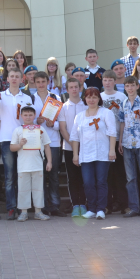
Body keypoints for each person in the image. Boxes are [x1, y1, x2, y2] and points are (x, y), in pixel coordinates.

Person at [0, 67, 33, 220]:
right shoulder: (0, 95)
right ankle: (11, 208)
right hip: (6, 139)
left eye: (17, 76)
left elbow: (29, 118)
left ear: (22, 79)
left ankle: (23, 207)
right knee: (9, 176)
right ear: (7, 79)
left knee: (22, 175)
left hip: (23, 139)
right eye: (11, 76)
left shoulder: (26, 97)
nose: (14, 79)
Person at [70, 87, 117, 220]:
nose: (91, 100)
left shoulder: (106, 113)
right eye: (89, 97)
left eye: (94, 97)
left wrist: (112, 150)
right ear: (85, 98)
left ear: (99, 99)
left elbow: (112, 132)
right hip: (86, 154)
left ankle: (101, 209)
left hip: (102, 153)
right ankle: (91, 209)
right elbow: (75, 137)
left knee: (101, 181)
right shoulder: (79, 116)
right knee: (88, 182)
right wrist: (75, 154)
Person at [116, 76, 140, 218]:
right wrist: (119, 142)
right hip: (127, 144)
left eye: (132, 85)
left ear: (137, 86)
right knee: (130, 178)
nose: (130, 88)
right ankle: (134, 207)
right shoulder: (122, 104)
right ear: (124, 88)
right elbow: (122, 124)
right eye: (127, 86)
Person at [30, 71, 64, 216]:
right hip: (36, 142)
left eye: (43, 81)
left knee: (54, 175)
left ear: (47, 82)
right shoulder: (30, 99)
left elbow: (61, 123)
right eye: (38, 82)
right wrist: (35, 121)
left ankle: (55, 206)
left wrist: (52, 124)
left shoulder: (55, 98)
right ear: (34, 83)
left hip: (53, 141)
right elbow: (25, 120)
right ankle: (41, 206)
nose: (41, 84)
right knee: (40, 175)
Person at [10, 106, 52, 221]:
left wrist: (49, 161)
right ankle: (23, 212)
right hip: (23, 165)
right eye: (25, 115)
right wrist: (20, 144)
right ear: (21, 116)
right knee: (23, 189)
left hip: (37, 164)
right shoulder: (18, 130)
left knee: (38, 189)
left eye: (30, 115)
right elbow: (12, 147)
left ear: (34, 116)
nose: (28, 117)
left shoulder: (41, 129)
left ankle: (38, 211)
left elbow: (47, 145)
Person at [100, 69, 128, 214]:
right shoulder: (99, 97)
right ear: (102, 81)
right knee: (107, 175)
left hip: (119, 139)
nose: (108, 82)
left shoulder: (121, 96)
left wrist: (121, 140)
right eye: (105, 80)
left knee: (121, 174)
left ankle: (123, 204)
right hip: (104, 142)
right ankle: (108, 205)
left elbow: (124, 120)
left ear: (115, 81)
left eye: (111, 80)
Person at [59, 78, 87, 217]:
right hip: (69, 148)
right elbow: (63, 129)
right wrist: (73, 144)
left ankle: (85, 204)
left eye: (76, 87)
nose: (74, 89)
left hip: (86, 148)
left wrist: (82, 145)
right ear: (67, 89)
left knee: (85, 177)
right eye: (71, 87)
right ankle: (76, 205)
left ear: (80, 88)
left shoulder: (86, 105)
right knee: (73, 177)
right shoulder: (63, 107)